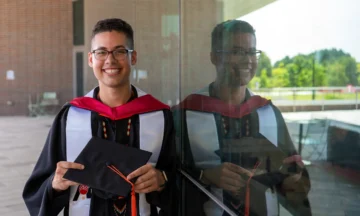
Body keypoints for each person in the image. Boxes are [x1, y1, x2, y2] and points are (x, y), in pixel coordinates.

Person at [23, 18, 176, 216]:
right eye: (101, 52)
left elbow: (179, 177)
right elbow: (37, 190)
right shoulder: (70, 116)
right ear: (90, 59)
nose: (110, 60)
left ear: (133, 57)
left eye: (120, 51)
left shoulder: (159, 116)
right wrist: (55, 184)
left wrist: (162, 180)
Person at [173, 20, 311, 216]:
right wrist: (206, 176)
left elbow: (295, 181)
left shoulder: (269, 113)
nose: (247, 60)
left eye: (251, 52)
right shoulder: (185, 114)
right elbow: (166, 178)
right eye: (237, 52)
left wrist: (292, 181)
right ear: (214, 57)